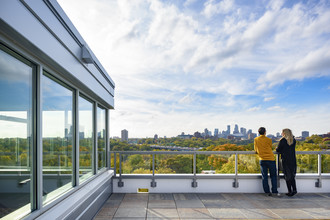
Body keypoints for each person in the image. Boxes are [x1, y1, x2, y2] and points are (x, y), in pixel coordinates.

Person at [254, 127, 279, 196]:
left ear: (259, 132)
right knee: (273, 176)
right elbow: (270, 147)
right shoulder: (269, 139)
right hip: (271, 159)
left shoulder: (256, 139)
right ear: (265, 132)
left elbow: (255, 149)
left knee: (264, 176)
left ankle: (267, 192)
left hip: (262, 159)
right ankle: (274, 191)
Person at [276, 128, 297, 196]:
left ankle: (289, 191)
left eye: (282, 132)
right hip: (293, 160)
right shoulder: (293, 140)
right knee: (292, 176)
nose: (281, 133)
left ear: (284, 133)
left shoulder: (283, 140)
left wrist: (277, 148)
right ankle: (294, 189)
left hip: (285, 160)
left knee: (287, 176)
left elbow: (278, 150)